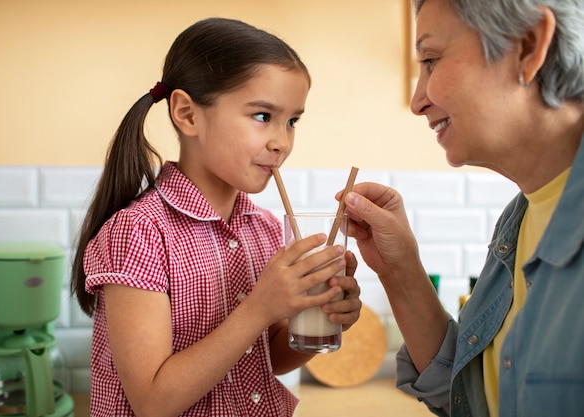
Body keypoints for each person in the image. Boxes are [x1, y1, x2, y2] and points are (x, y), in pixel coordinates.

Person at [70, 17, 362, 417]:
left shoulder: (262, 228)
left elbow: (260, 362)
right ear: (187, 114)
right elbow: (154, 401)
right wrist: (261, 307)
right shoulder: (139, 232)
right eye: (263, 116)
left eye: (292, 121)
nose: (281, 142)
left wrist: (318, 320)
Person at [339, 0, 584, 416]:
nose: (417, 101)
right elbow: (471, 397)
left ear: (528, 46)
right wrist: (400, 272)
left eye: (431, 59)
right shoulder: (519, 218)